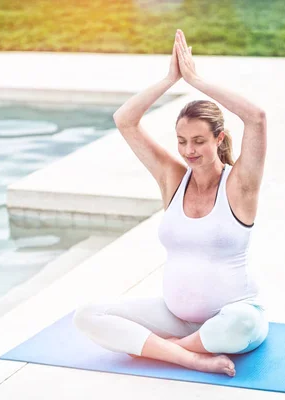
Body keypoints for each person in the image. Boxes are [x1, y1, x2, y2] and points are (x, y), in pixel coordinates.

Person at [73, 29, 268, 377]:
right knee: (88, 315)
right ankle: (189, 356)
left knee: (239, 325)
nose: (189, 150)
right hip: (176, 318)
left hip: (233, 315)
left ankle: (163, 350)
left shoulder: (240, 185)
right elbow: (125, 120)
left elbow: (256, 117)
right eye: (181, 141)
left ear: (218, 138)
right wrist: (169, 79)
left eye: (198, 141)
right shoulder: (173, 179)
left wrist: (195, 79)